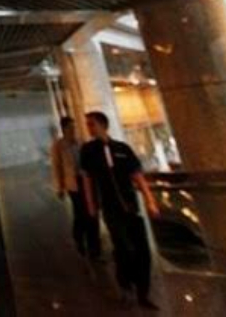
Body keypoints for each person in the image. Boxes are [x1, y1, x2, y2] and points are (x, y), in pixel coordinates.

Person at [80, 111, 161, 310]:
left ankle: (143, 293)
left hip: (131, 206)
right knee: (123, 247)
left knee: (142, 250)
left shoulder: (122, 149)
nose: (89, 128)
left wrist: (150, 200)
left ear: (103, 125)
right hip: (110, 208)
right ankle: (125, 285)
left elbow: (137, 176)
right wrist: (91, 205)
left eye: (92, 124)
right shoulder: (88, 150)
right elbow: (87, 179)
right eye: (88, 124)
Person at [50, 116, 101, 259]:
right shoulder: (58, 146)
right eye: (70, 127)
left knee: (92, 213)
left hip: (87, 181)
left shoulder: (81, 142)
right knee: (80, 214)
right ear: (64, 129)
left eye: (74, 127)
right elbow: (56, 167)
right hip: (73, 184)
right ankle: (78, 238)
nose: (73, 130)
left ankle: (94, 248)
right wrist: (59, 188)